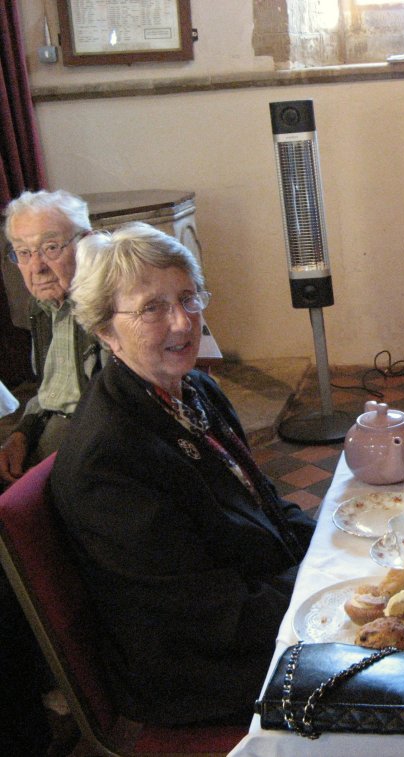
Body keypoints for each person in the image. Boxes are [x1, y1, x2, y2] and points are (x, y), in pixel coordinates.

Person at [51, 222, 316, 726]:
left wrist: (330, 553)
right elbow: (203, 612)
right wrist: (324, 594)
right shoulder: (107, 459)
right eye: (152, 308)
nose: (182, 322)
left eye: (189, 298)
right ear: (105, 329)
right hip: (199, 669)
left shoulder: (195, 389)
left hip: (255, 602)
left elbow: (261, 500)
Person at [1, 190, 104, 485]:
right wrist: (21, 435)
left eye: (51, 247)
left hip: (91, 449)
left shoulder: (108, 307)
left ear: (86, 242)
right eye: (23, 253)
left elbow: (118, 413)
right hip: (50, 432)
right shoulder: (42, 308)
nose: (37, 267)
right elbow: (50, 391)